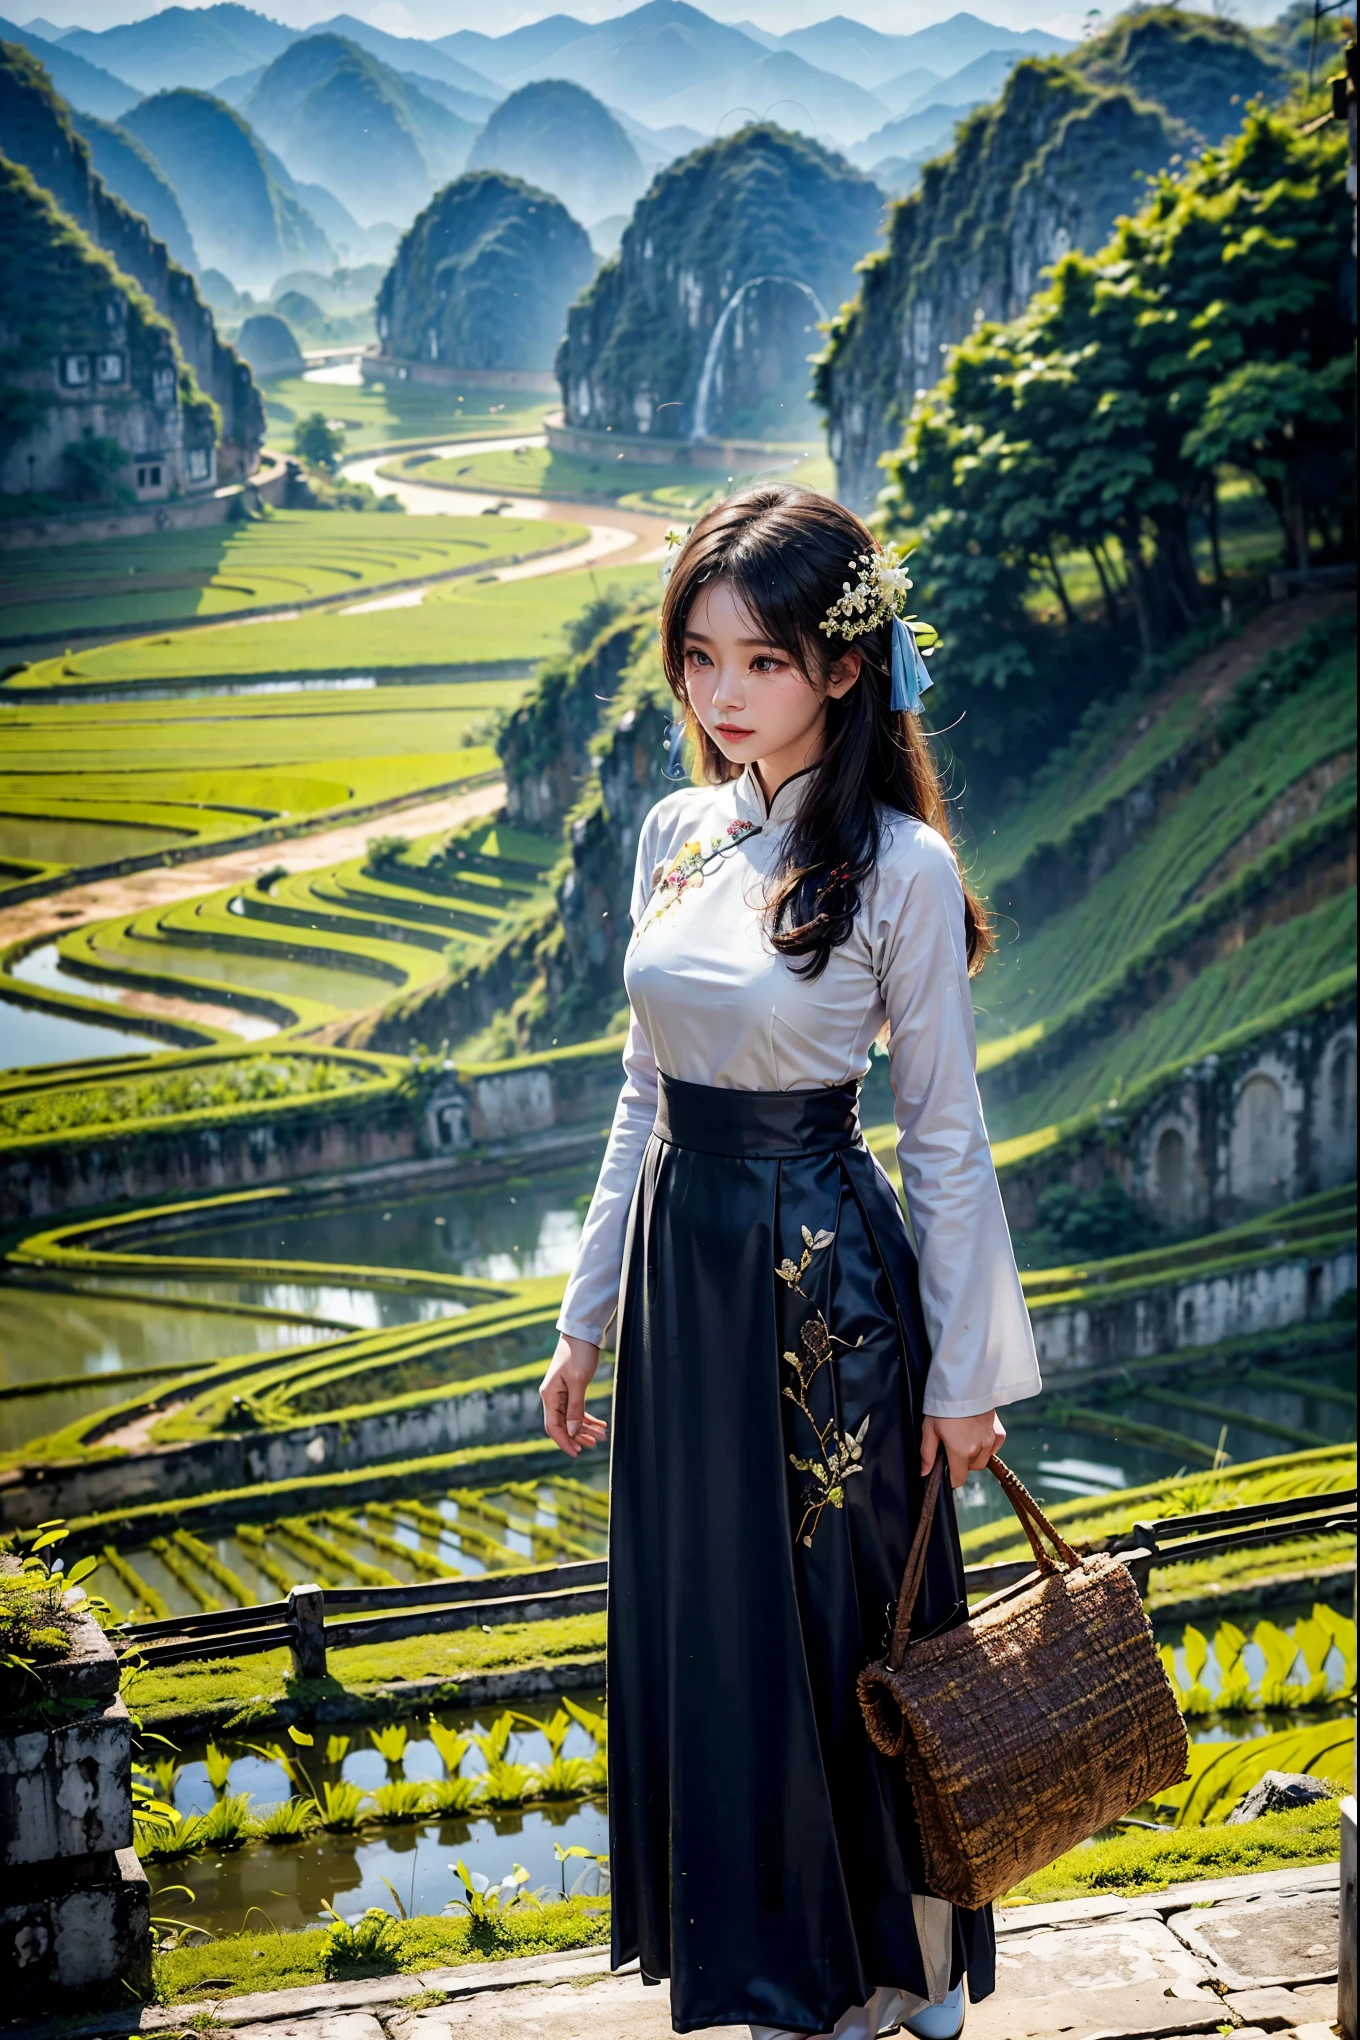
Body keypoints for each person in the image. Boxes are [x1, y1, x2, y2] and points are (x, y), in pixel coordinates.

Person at [538, 487, 1041, 2040]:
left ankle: (910, 1971)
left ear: (840, 669)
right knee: (719, 1629)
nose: (721, 693)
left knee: (846, 1643)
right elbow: (639, 1091)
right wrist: (586, 1320)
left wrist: (969, 1382)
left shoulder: (898, 865)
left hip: (824, 1289)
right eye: (699, 658)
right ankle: (760, 1968)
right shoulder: (678, 834)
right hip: (685, 1288)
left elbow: (944, 1138)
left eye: (757, 661)